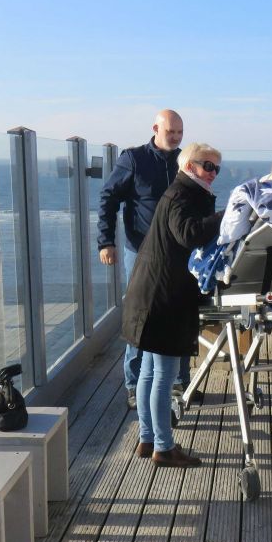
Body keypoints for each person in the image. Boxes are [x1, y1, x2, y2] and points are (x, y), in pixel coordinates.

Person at [121, 143, 225, 467]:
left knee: (150, 372)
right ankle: (164, 448)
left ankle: (147, 439)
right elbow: (189, 234)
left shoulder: (178, 193)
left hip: (152, 293)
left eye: (216, 168)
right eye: (208, 166)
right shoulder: (182, 195)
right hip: (164, 299)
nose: (213, 173)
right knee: (162, 375)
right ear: (190, 166)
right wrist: (226, 217)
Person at [97, 109, 190, 409]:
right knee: (141, 316)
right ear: (155, 128)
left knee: (179, 313)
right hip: (141, 252)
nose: (175, 138)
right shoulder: (133, 159)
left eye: (179, 133)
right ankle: (134, 384)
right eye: (170, 132)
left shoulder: (185, 161)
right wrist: (106, 241)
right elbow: (108, 197)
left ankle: (178, 380)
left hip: (178, 252)